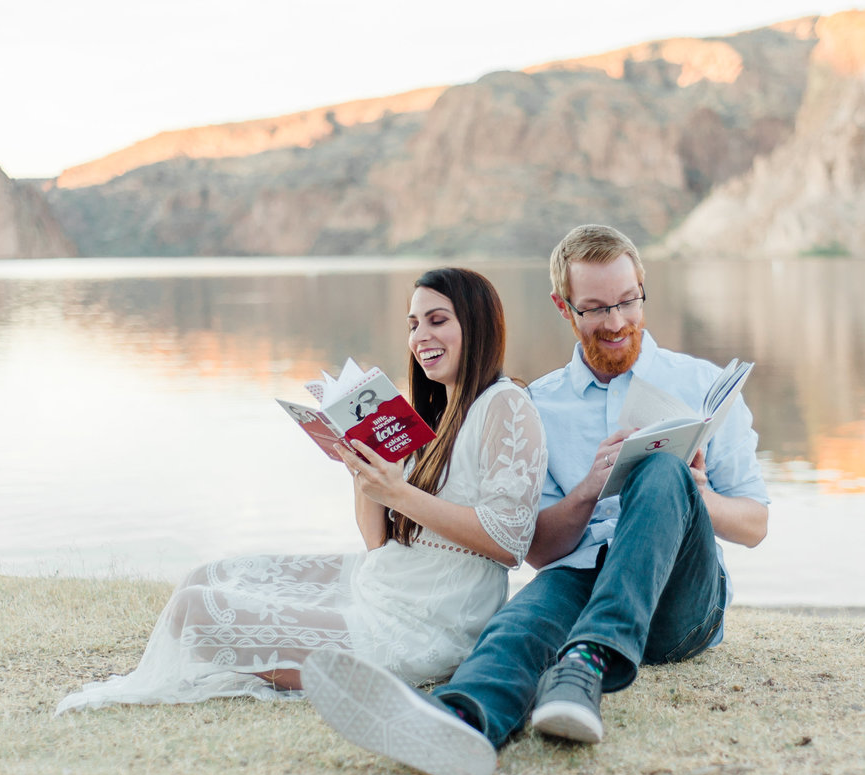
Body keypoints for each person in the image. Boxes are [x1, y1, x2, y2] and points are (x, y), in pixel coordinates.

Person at [302, 224, 770, 775]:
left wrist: (697, 496)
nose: (616, 321)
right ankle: (460, 720)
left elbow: (755, 525)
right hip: (580, 578)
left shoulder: (703, 383)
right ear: (563, 307)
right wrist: (587, 491)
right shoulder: (535, 405)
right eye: (595, 308)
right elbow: (537, 551)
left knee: (663, 469)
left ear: (643, 288)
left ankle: (588, 660)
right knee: (518, 625)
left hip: (678, 600)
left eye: (627, 301)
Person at [56, 267, 547, 714]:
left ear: (477, 325)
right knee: (206, 575)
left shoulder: (505, 405)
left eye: (437, 320)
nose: (421, 337)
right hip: (381, 580)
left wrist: (399, 493)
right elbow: (378, 543)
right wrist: (363, 472)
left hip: (426, 624)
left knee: (196, 611)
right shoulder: (431, 412)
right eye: (413, 324)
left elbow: (509, 543)